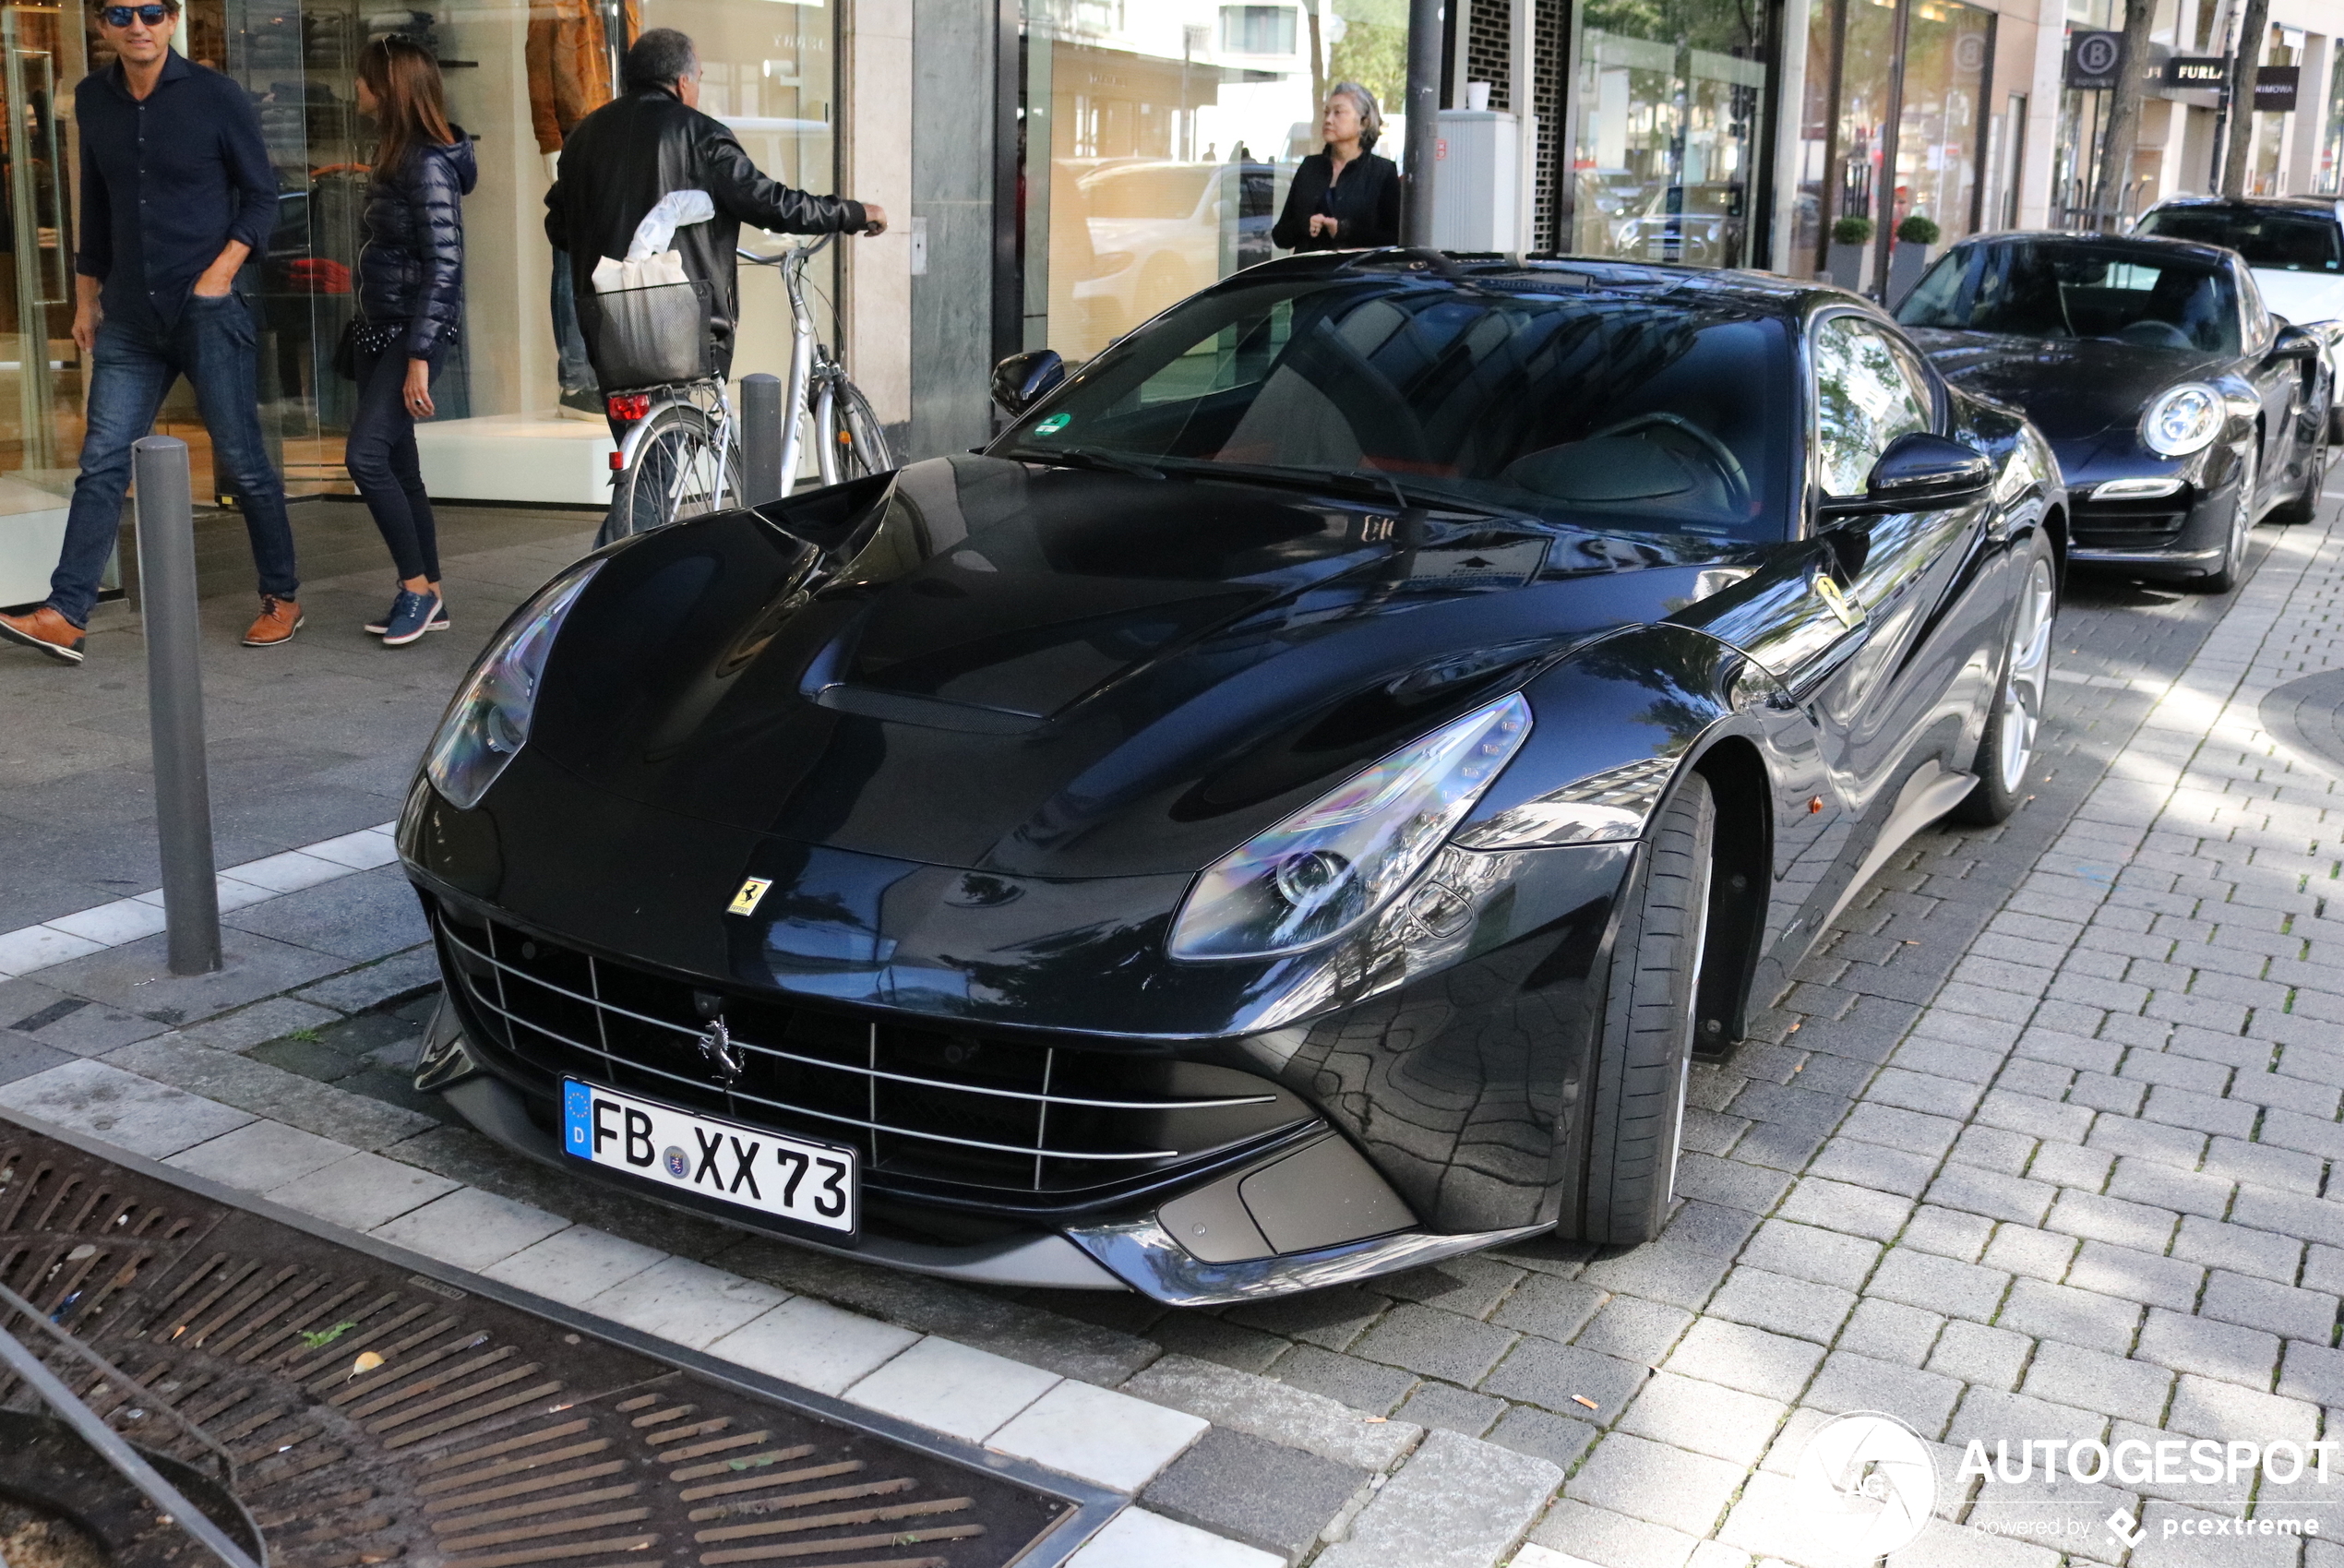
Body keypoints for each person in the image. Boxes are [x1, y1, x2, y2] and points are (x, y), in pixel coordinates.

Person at [0, 0, 298, 665]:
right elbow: (97, 204)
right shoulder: (92, 100)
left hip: (208, 308)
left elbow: (261, 197)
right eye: (121, 12)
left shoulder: (216, 97)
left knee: (244, 463)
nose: (139, 25)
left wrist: (220, 273)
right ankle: (67, 612)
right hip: (130, 315)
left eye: (153, 11)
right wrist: (85, 298)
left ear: (173, 20)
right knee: (102, 459)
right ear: (102, 26)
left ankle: (282, 596)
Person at [544, 28, 885, 405]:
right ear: (682, 81)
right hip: (678, 323)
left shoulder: (582, 138)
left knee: (639, 450)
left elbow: (558, 228)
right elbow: (772, 204)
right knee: (668, 445)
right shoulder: (699, 134)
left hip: (606, 326)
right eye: (700, 80)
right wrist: (852, 213)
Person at [347, 38, 473, 646]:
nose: (356, 89)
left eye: (364, 80)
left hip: (409, 330)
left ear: (387, 88)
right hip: (385, 324)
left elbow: (446, 263)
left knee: (364, 457)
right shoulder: (399, 152)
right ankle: (434, 596)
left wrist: (420, 355)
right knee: (401, 465)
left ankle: (416, 588)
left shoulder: (424, 162)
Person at [1273, 83, 1401, 254]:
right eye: (1326, 112)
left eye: (1338, 112)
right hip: (1308, 275)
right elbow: (1280, 236)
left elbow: (1395, 239)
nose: (1328, 120)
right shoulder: (1310, 167)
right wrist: (1304, 225)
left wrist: (1345, 231)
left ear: (1364, 122)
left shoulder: (1383, 172)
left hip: (1356, 277)